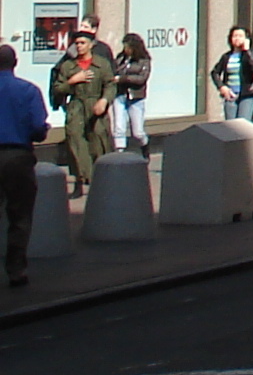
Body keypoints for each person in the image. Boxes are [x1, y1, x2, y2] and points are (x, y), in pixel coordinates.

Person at [0, 45, 52, 288]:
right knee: (19, 216)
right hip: (18, 157)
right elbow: (38, 130)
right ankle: (16, 269)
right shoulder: (28, 90)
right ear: (16, 62)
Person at [48, 33, 111, 195]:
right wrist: (72, 81)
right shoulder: (68, 66)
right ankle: (79, 182)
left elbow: (110, 85)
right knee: (75, 142)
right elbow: (57, 89)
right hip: (76, 106)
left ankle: (100, 182)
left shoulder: (101, 64)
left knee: (98, 142)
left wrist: (104, 100)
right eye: (77, 43)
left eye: (83, 43)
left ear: (91, 45)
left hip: (95, 105)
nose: (79, 46)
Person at [108, 33, 153, 151]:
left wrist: (124, 79)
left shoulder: (144, 60)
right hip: (120, 95)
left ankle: (144, 146)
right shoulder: (121, 58)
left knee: (137, 132)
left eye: (128, 47)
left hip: (136, 97)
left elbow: (142, 78)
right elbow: (114, 69)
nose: (125, 50)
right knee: (119, 127)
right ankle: (120, 151)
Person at [211, 26, 253, 122]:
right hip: (231, 94)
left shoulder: (250, 54)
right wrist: (222, 87)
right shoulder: (226, 56)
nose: (237, 38)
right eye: (235, 36)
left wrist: (247, 51)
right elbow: (215, 73)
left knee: (243, 124)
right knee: (231, 125)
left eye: (240, 36)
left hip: (247, 94)